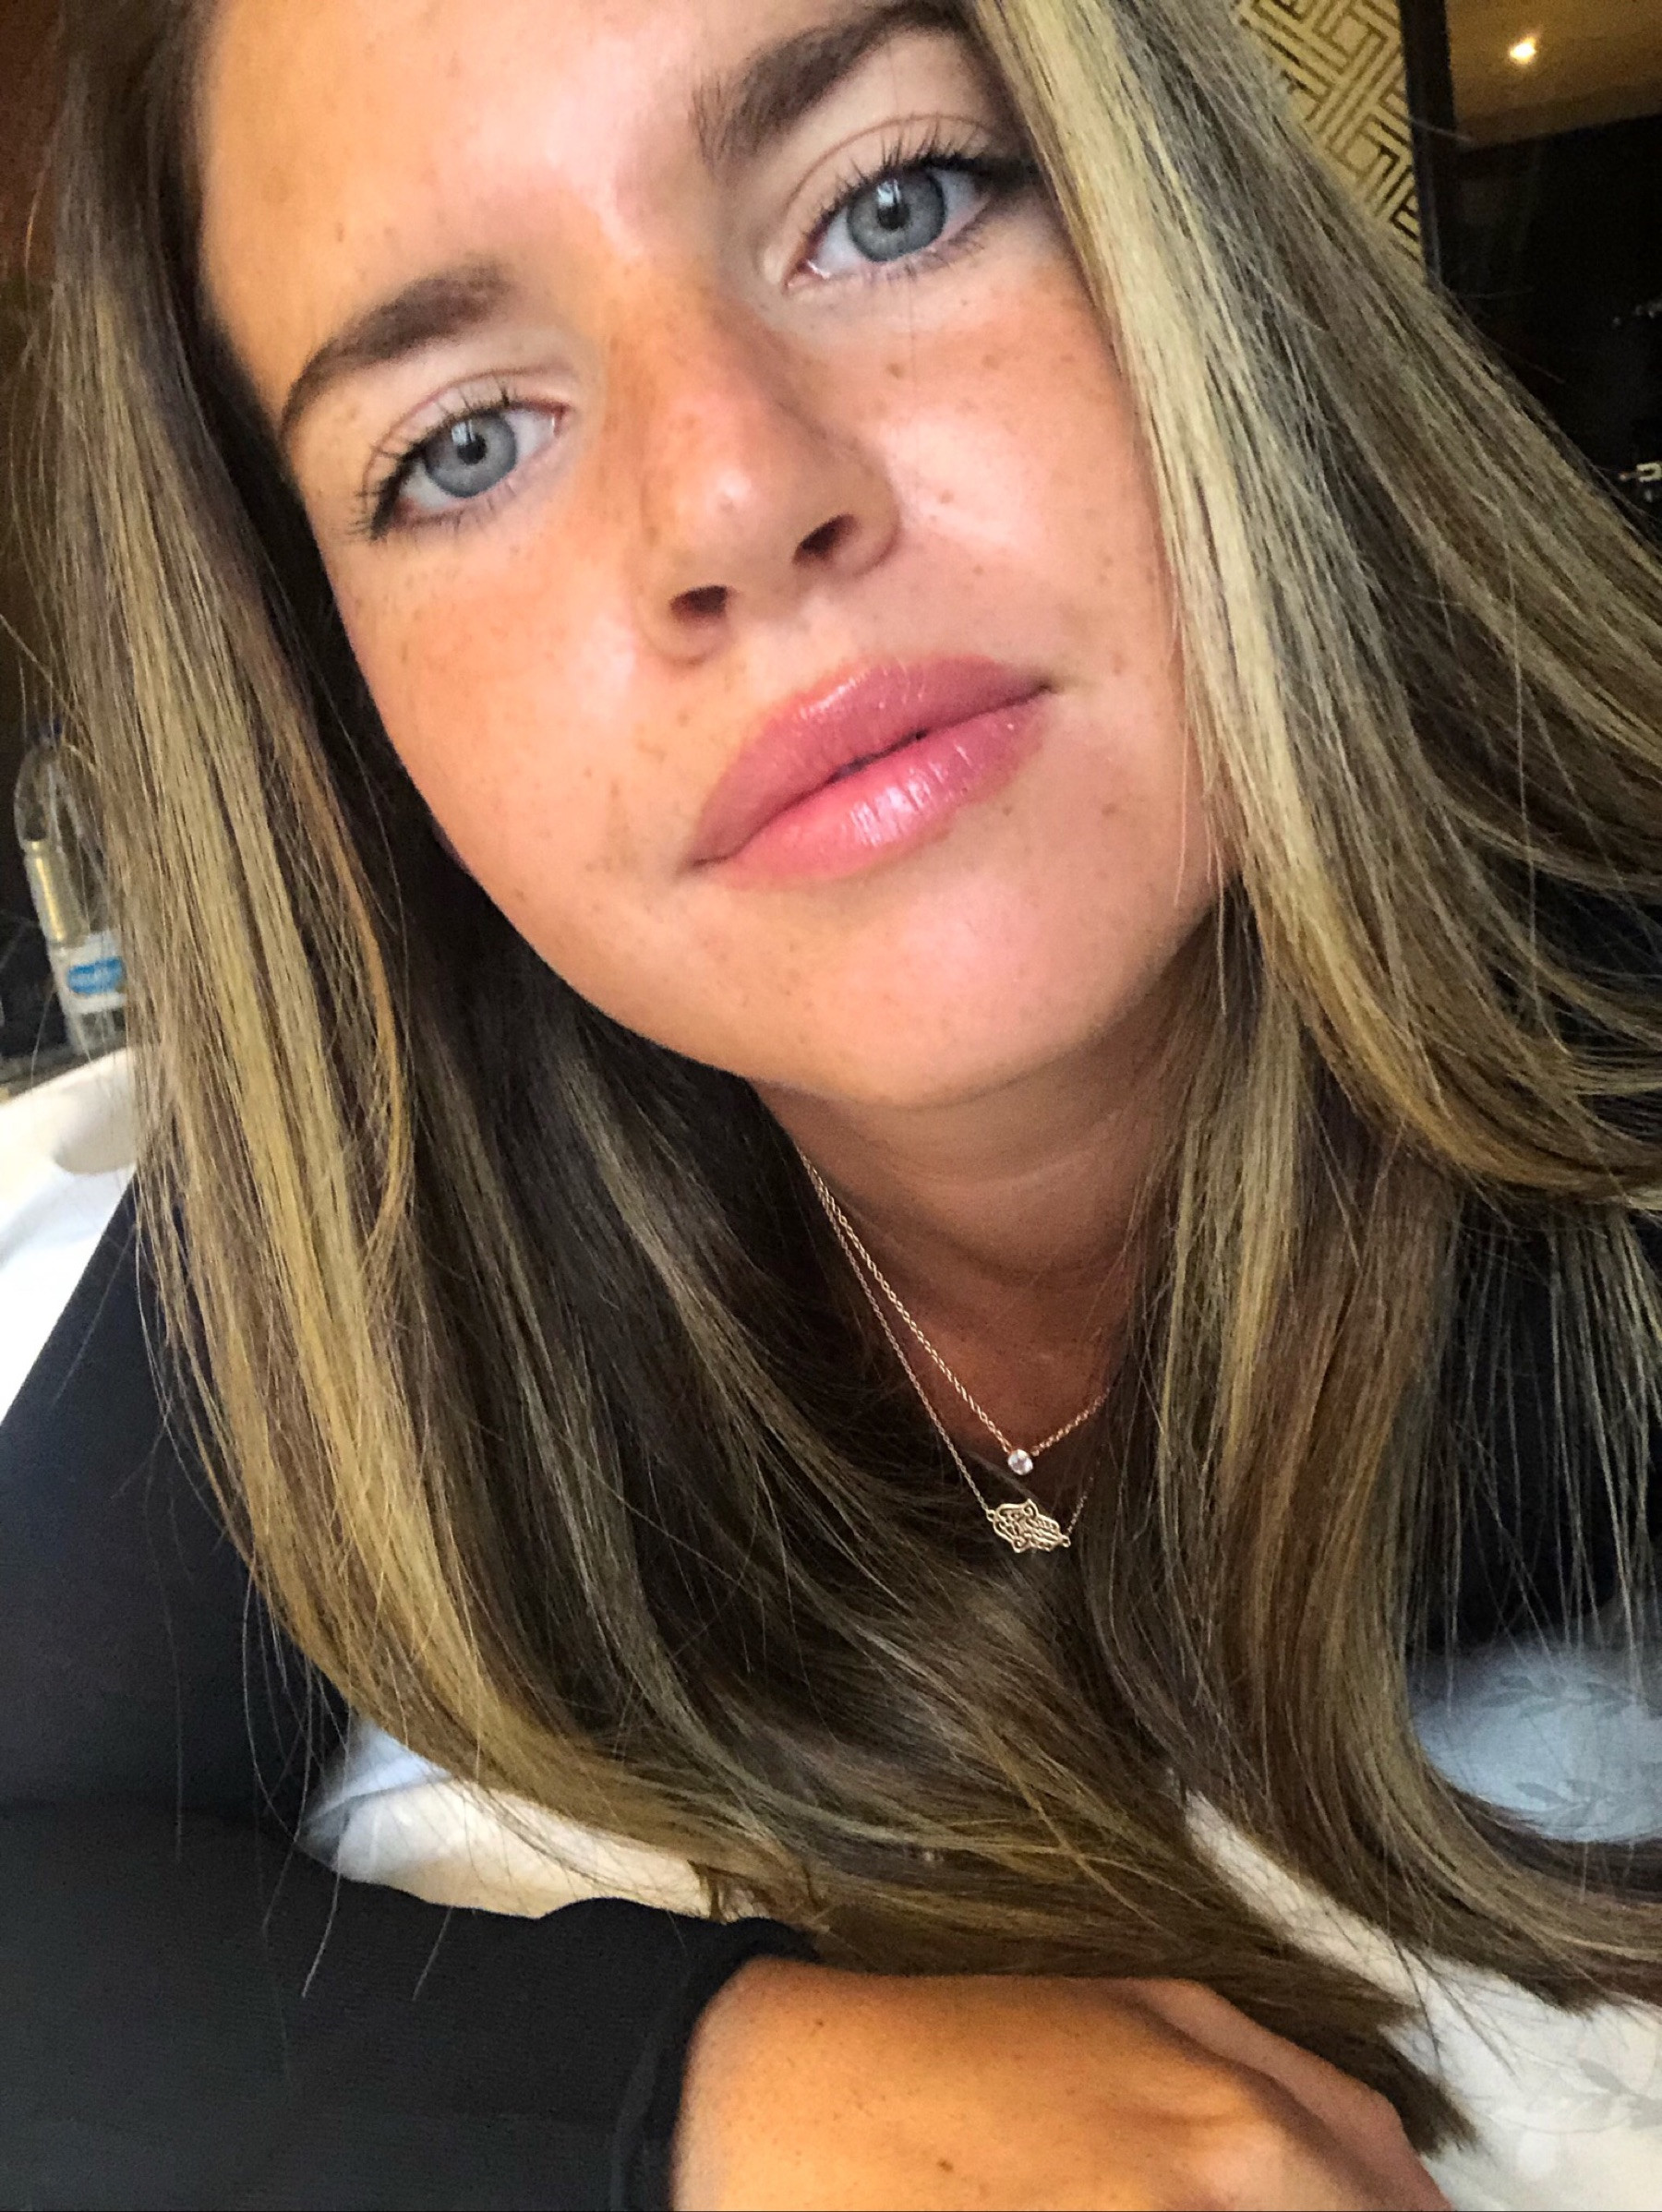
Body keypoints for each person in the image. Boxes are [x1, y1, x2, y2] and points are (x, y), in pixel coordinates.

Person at [7, 0, 1662, 2202]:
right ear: (329, 680)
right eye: (463, 443)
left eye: (893, 203)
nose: (735, 494)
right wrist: (728, 2093)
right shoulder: (384, 1182)